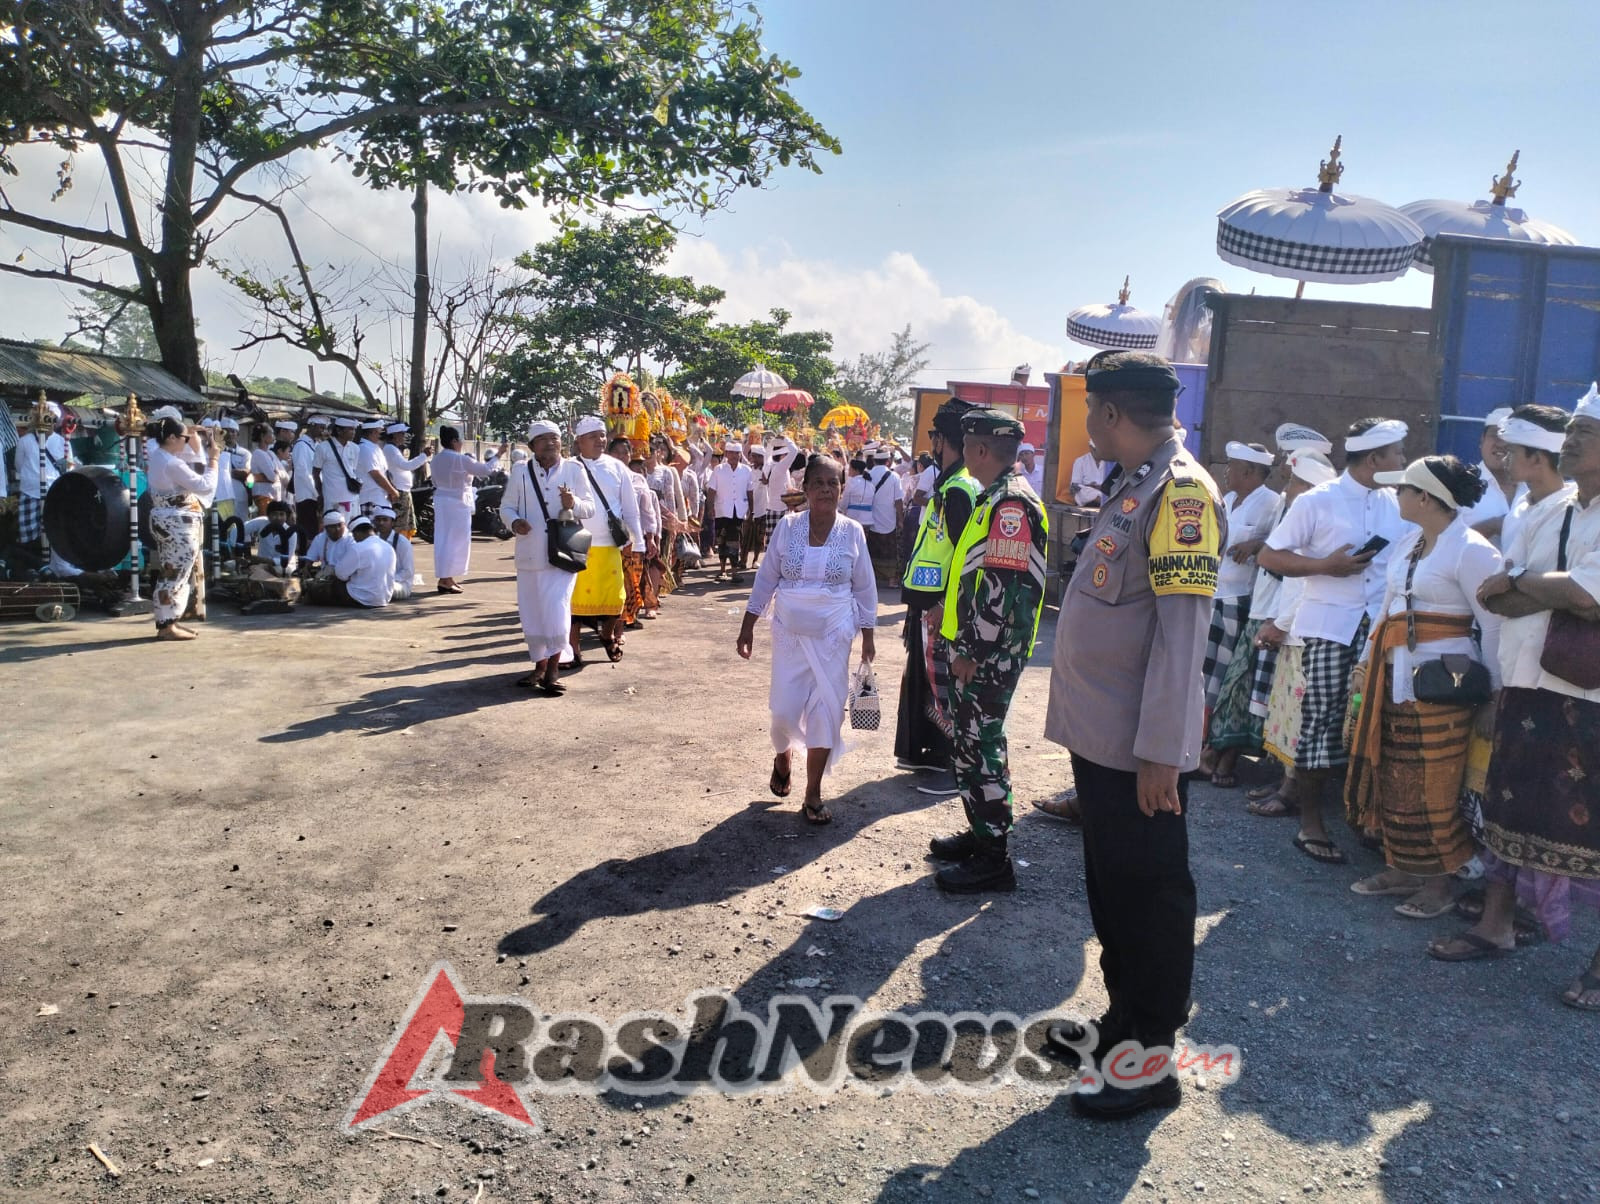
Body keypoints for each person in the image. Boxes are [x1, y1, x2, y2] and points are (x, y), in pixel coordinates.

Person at [1041, 350, 1223, 1119]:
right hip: (1105, 738)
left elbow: (1182, 637)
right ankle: (1122, 1024)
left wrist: (1162, 754)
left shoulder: (1181, 495)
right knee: (1113, 888)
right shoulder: (1135, 486)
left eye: (1090, 411)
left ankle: (1150, 1061)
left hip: (1138, 750)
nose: (1087, 425)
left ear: (1113, 413)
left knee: (1150, 895)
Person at [1431, 395, 1600, 1010]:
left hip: (1589, 695)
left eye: (1584, 431)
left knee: (1592, 825)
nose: (1572, 441)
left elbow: (1586, 595)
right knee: (1511, 806)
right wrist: (1536, 588)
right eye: (1571, 430)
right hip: (1531, 681)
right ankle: (1495, 926)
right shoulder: (1556, 512)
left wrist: (1527, 586)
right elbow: (1498, 596)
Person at [1344, 456, 1502, 920]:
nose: (1397, 497)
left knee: (1435, 781)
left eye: (1404, 490)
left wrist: (1494, 693)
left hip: (1446, 685)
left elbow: (1492, 626)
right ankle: (1402, 866)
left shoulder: (1472, 550)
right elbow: (1387, 607)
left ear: (1426, 498)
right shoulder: (1410, 543)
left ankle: (1440, 882)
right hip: (1393, 677)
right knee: (1395, 772)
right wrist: (1365, 660)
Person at [1258, 417, 1410, 865]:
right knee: (1320, 721)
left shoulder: (1395, 505)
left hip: (1379, 628)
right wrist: (1326, 566)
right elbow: (1271, 556)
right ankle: (1311, 824)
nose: (1403, 460)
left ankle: (1366, 817)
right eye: (1398, 453)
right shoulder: (1318, 501)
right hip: (1329, 626)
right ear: (1375, 458)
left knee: (1377, 721)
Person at [928, 408, 1048, 894]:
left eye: (964, 446)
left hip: (989, 655)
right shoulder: (994, 498)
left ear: (978, 450)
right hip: (980, 648)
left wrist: (971, 652)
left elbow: (998, 590)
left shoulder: (1010, 506)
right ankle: (982, 833)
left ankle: (994, 858)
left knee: (981, 748)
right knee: (969, 744)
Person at [737, 455, 878, 825]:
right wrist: (748, 624)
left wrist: (868, 635)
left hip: (835, 636)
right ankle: (782, 754)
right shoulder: (787, 527)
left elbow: (864, 587)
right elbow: (767, 577)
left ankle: (812, 793)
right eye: (818, 483)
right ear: (805, 488)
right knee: (783, 710)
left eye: (833, 483)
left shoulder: (852, 532)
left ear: (841, 488)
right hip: (789, 634)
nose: (826, 490)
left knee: (826, 712)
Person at [1244, 449, 1338, 818]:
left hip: (1304, 634)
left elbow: (1305, 587)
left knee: (1300, 718)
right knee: (1285, 714)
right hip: (1293, 632)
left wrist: (1280, 625)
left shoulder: (1316, 522)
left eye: (1295, 482)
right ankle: (1286, 780)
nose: (1287, 489)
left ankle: (1292, 790)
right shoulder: (1301, 518)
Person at [894, 397, 979, 778]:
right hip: (927, 605)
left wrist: (947, 602)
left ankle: (945, 761)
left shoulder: (959, 489)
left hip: (942, 609)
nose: (930, 442)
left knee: (938, 684)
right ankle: (926, 754)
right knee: (924, 681)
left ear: (943, 440)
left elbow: (967, 554)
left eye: (933, 435)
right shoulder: (948, 484)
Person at [1198, 441, 1279, 787]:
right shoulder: (1228, 500)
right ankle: (1197, 744)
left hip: (1240, 601)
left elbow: (1282, 545)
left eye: (1232, 467)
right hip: (1213, 596)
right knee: (1202, 674)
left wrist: (1257, 545)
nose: (1226, 472)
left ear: (1250, 472)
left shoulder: (1272, 504)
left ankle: (1217, 748)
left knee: (1224, 677)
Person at [501, 419, 593, 695]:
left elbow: (590, 509)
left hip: (562, 555)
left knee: (556, 609)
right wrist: (515, 523)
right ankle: (539, 666)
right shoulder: (520, 471)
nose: (552, 443)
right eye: (544, 440)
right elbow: (507, 506)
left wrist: (573, 503)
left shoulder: (574, 469)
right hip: (529, 553)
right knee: (532, 614)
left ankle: (554, 668)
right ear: (532, 446)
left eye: (555, 438)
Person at [568, 415, 644, 663]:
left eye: (602, 435)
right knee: (575, 603)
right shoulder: (568, 467)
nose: (600, 440)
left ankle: (607, 635)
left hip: (611, 545)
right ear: (579, 441)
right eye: (593, 436)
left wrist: (639, 541)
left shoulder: (617, 467)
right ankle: (573, 647)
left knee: (615, 599)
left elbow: (630, 509)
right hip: (578, 545)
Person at [145, 415, 221, 640]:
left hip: (166, 519)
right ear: (171, 437)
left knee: (172, 570)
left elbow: (186, 455)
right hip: (176, 523)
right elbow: (204, 485)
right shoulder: (172, 463)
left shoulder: (159, 455)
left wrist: (189, 432)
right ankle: (166, 625)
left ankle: (169, 620)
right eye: (184, 437)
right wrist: (214, 460)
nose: (187, 441)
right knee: (175, 573)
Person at [429, 426, 505, 593]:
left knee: (444, 539)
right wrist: (498, 454)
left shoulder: (436, 459)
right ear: (454, 441)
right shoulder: (459, 459)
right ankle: (446, 579)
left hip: (442, 501)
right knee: (455, 541)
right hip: (457, 502)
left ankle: (446, 577)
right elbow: (485, 470)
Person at [1497, 405, 1571, 554]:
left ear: (1536, 459)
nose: (1504, 460)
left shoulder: (1570, 516)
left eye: (1511, 452)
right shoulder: (1521, 505)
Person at [14, 400, 78, 550]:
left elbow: (69, 468)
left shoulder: (63, 442)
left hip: (54, 493)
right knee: (29, 537)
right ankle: (35, 565)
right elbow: (19, 466)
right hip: (30, 492)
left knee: (53, 533)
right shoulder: (25, 441)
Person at [1460, 407, 1524, 548]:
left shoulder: (1533, 489)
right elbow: (1440, 543)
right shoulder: (1458, 485)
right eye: (1495, 434)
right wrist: (1491, 526)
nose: (1501, 443)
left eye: (1509, 437)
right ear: (1482, 440)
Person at [304, 513, 395, 608]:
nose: (354, 538)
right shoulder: (388, 547)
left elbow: (341, 574)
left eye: (354, 535)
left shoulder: (358, 548)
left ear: (357, 533)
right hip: (384, 598)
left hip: (361, 599)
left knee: (321, 588)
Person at [708, 441, 753, 583]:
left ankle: (734, 571)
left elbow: (750, 491)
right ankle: (722, 570)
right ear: (726, 454)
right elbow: (711, 491)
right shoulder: (718, 470)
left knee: (734, 541)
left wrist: (752, 510)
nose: (734, 456)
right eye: (731, 453)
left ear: (740, 455)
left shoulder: (746, 470)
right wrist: (710, 508)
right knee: (721, 541)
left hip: (738, 511)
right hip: (722, 510)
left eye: (737, 453)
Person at [864, 444, 905, 585]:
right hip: (889, 519)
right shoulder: (894, 476)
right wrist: (901, 519)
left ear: (874, 460)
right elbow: (898, 500)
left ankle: (872, 578)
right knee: (890, 551)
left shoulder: (867, 474)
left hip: (870, 519)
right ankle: (891, 580)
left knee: (872, 549)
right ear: (888, 461)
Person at [382, 423, 429, 538]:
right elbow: (406, 466)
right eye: (402, 434)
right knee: (400, 524)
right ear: (394, 435)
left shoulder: (394, 449)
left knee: (405, 523)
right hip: (399, 491)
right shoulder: (390, 449)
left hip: (403, 490)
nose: (404, 436)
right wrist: (424, 456)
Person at [315, 416, 364, 519]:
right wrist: (320, 493)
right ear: (339, 430)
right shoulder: (323, 447)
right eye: (350, 429)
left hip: (352, 497)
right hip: (332, 498)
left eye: (354, 429)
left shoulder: (355, 448)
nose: (353, 432)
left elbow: (352, 471)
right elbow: (315, 472)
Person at [291, 415, 328, 544]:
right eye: (320, 428)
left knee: (315, 530)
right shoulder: (301, 445)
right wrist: (317, 492)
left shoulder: (316, 445)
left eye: (324, 428)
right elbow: (303, 472)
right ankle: (303, 560)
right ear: (312, 426)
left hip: (316, 494)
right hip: (307, 494)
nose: (322, 431)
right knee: (307, 531)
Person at [356, 419, 399, 516]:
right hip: (370, 500)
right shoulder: (364, 449)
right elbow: (376, 475)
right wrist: (393, 491)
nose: (380, 434)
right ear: (373, 432)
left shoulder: (374, 447)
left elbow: (384, 473)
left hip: (380, 499)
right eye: (379, 431)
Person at [371, 506, 416, 599]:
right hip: (378, 581)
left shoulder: (402, 542)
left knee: (378, 588)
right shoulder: (372, 540)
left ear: (392, 522)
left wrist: (387, 580)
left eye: (385, 520)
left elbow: (408, 571)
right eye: (378, 520)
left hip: (400, 584)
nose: (381, 523)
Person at [249, 423, 282, 515]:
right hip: (264, 496)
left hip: (274, 496)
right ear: (263, 436)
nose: (274, 436)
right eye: (271, 433)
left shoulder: (271, 453)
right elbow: (273, 477)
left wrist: (265, 476)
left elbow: (281, 472)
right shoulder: (258, 453)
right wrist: (274, 475)